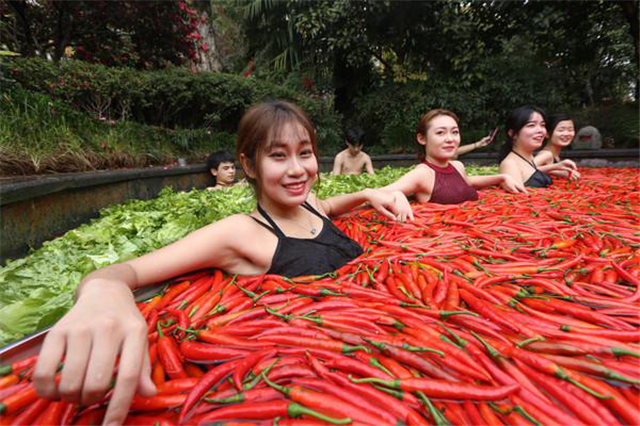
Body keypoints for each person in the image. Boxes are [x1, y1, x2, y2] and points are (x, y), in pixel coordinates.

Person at [32, 101, 412, 426]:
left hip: (379, 349)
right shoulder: (238, 232)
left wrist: (367, 193)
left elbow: (328, 207)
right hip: (326, 381)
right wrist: (102, 293)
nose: (297, 169)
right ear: (249, 165)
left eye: (305, 152)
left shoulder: (310, 206)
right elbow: (123, 272)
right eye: (278, 155)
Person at [382, 109, 525, 204]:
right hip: (444, 243)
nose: (450, 139)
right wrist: (398, 196)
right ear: (422, 139)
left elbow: (467, 182)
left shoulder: (457, 166)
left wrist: (501, 177)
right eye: (440, 133)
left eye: (455, 132)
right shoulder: (422, 174)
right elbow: (373, 195)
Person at [498, 106, 575, 188]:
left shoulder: (528, 158)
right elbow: (517, 198)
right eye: (531, 125)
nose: (540, 130)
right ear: (512, 133)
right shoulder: (510, 164)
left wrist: (556, 167)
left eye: (542, 125)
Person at [534, 114, 580, 179]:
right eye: (561, 130)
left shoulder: (555, 156)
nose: (566, 134)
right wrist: (557, 171)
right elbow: (527, 169)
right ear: (547, 133)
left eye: (570, 130)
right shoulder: (546, 154)